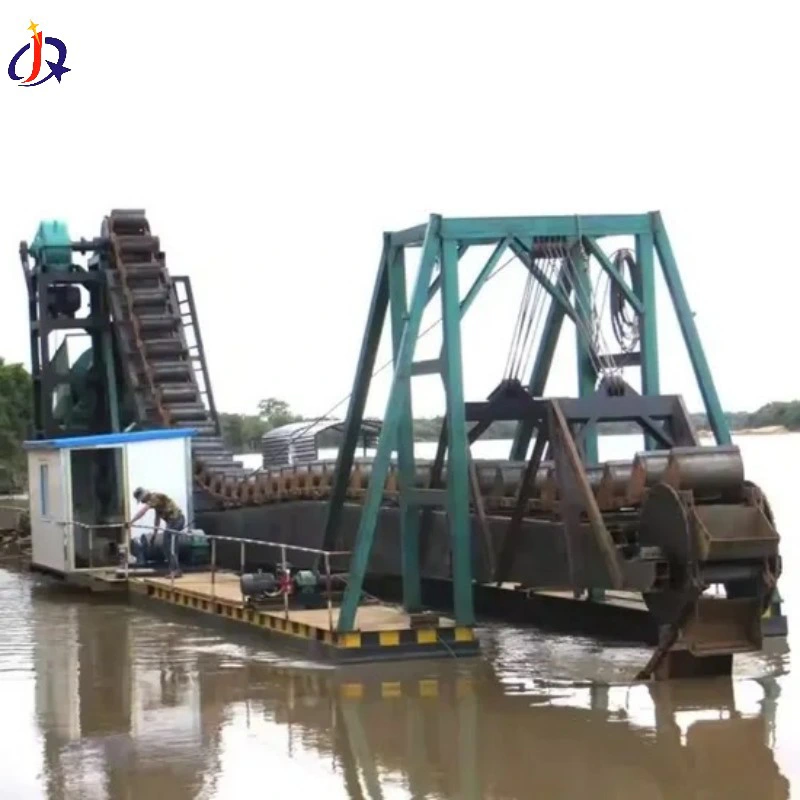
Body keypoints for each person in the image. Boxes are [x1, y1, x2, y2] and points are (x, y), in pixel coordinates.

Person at [129, 487, 186, 577]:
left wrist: (131, 522)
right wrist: (154, 535)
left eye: (142, 500)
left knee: (169, 545)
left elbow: (143, 511)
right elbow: (157, 520)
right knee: (168, 545)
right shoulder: (156, 504)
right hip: (173, 522)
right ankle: (174, 569)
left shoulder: (154, 497)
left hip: (176, 520)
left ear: (144, 496)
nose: (143, 502)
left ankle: (175, 570)